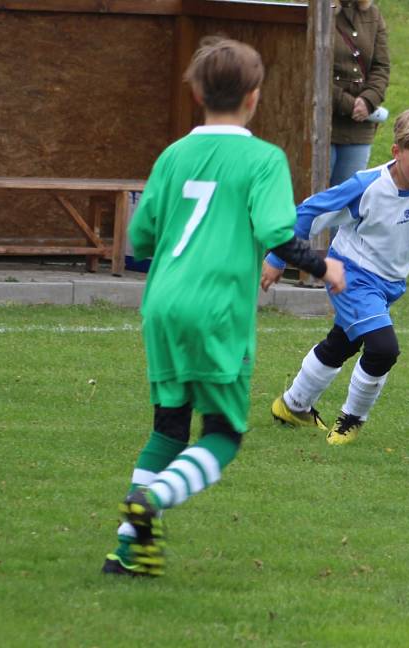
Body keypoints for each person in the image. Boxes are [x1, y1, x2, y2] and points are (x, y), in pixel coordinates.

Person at [101, 37, 345, 577]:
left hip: (162, 305)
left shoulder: (173, 156)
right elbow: (278, 233)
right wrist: (324, 265)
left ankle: (127, 553)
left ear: (195, 92)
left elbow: (139, 238)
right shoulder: (263, 159)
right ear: (255, 98)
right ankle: (153, 500)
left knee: (168, 428)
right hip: (217, 311)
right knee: (221, 434)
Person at [262, 104, 409, 446]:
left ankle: (292, 406)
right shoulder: (367, 186)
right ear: (396, 151)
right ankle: (351, 421)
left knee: (343, 342)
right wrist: (278, 256)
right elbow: (312, 210)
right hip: (351, 274)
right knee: (383, 348)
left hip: (389, 283)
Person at [330, 0, 391, 187]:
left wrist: (368, 100)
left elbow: (381, 67)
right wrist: (348, 105)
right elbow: (308, 68)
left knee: (347, 202)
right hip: (323, 125)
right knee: (312, 199)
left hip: (359, 128)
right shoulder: (314, 11)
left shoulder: (373, 14)